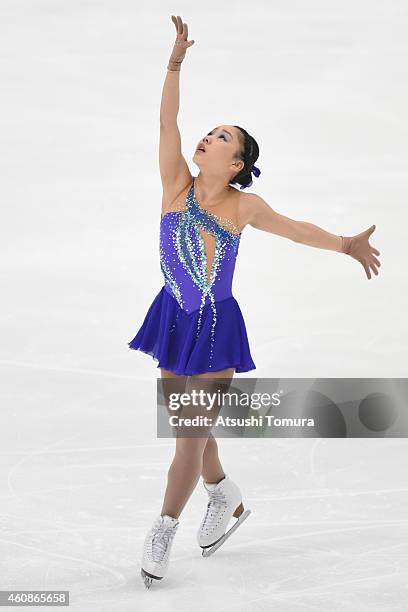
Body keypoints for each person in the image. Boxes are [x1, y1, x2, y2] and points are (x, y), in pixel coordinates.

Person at [128, 15, 382, 589]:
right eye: (211, 131)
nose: (207, 138)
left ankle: (165, 525)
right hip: (172, 316)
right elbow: (166, 119)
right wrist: (174, 62)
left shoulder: (244, 208)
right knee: (187, 425)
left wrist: (344, 244)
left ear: (236, 164)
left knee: (188, 432)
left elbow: (295, 229)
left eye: (222, 138)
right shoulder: (175, 184)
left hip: (216, 327)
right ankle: (223, 495)